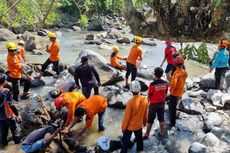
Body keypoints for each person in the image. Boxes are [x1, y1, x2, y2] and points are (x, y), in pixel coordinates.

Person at [121, 80, 148, 153]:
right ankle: (140, 150)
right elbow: (145, 113)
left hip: (129, 126)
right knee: (139, 140)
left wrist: (123, 128)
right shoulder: (145, 100)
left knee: (125, 142)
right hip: (139, 125)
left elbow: (127, 117)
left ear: (131, 91)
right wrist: (145, 121)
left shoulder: (130, 102)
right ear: (139, 89)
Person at [143, 67, 168, 139]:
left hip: (153, 104)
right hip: (162, 102)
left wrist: (147, 103)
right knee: (161, 117)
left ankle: (147, 134)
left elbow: (149, 95)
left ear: (155, 74)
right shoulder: (166, 83)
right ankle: (162, 132)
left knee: (150, 119)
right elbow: (166, 92)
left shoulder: (152, 84)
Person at [0, 73, 22, 146]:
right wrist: (18, 115)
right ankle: (18, 146)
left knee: (3, 131)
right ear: (4, 81)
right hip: (8, 115)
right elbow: (11, 105)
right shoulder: (6, 92)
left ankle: (4, 145)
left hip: (0, 117)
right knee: (15, 130)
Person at [168, 56, 188, 127]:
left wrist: (170, 90)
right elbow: (184, 79)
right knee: (175, 105)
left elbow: (173, 84)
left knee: (172, 108)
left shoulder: (176, 74)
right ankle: (173, 118)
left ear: (175, 64)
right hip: (180, 91)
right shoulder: (184, 72)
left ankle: (172, 122)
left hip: (174, 92)